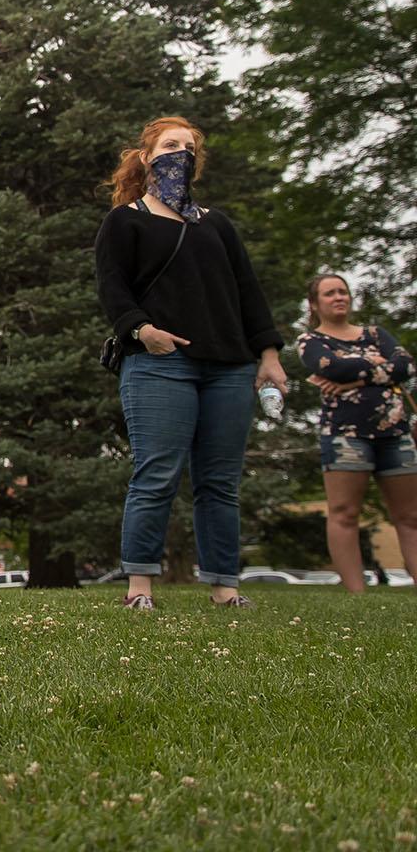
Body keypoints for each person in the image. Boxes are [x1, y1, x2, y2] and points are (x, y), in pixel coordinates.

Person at [94, 116, 287, 609]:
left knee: (219, 482)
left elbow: (247, 291)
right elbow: (112, 287)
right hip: (160, 363)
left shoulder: (216, 224)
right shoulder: (126, 220)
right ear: (146, 157)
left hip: (229, 366)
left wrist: (267, 355)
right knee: (157, 473)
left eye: (188, 147)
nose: (180, 152)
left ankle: (225, 588)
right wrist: (143, 330)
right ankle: (139, 588)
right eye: (170, 144)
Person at [296, 274, 417, 592]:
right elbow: (331, 369)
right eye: (329, 293)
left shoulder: (377, 333)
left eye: (343, 291)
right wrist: (376, 365)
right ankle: (356, 592)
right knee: (344, 512)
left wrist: (356, 376)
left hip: (396, 434)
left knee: (411, 515)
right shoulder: (311, 341)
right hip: (345, 436)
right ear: (315, 303)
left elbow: (406, 365)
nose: (339, 297)